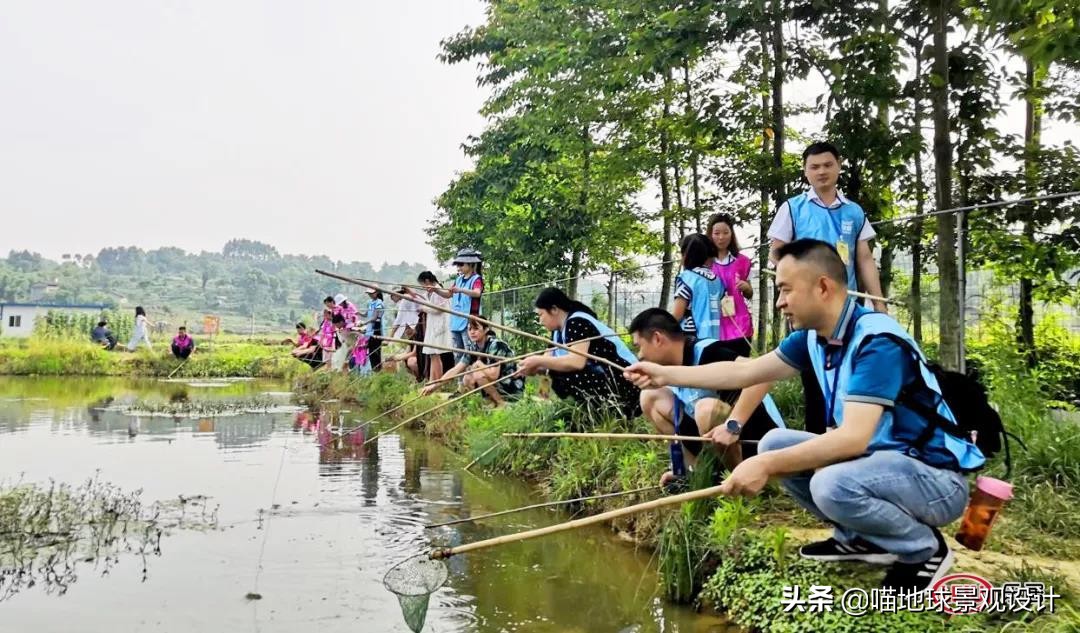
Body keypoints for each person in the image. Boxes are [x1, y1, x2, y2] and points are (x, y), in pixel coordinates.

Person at [624, 239, 984, 592]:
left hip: (933, 480)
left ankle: (924, 550)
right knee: (774, 443)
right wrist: (664, 375)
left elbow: (852, 438)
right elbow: (745, 372)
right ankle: (857, 538)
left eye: (785, 290)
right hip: (878, 464)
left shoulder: (877, 343)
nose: (779, 302)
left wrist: (763, 466)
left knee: (829, 484)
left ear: (822, 287)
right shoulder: (813, 338)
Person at [768, 142, 888, 434]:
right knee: (815, 383)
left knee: (849, 378)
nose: (821, 171)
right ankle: (815, 445)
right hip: (810, 312)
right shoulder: (793, 209)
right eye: (814, 167)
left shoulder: (854, 212)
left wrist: (879, 304)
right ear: (805, 171)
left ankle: (851, 439)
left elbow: (864, 258)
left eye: (827, 165)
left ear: (838, 166)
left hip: (847, 311)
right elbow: (776, 252)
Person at [629, 308, 785, 478]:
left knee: (706, 409)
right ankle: (693, 473)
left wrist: (733, 425)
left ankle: (741, 480)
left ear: (657, 338)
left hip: (758, 442)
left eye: (638, 347)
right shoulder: (671, 367)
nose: (639, 356)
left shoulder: (709, 352)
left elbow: (763, 377)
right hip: (716, 439)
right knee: (650, 396)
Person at [518, 287, 641, 420]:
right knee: (554, 370)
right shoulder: (557, 333)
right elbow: (547, 363)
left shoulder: (577, 322)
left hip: (627, 381)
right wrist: (533, 367)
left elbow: (576, 362)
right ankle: (583, 413)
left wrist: (537, 360)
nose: (540, 321)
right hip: (608, 379)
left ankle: (608, 412)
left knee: (568, 371)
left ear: (554, 309)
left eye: (541, 315)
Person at [422, 317, 524, 405]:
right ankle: (490, 401)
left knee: (478, 374)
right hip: (497, 384)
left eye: (476, 328)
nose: (472, 332)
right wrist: (434, 386)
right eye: (470, 329)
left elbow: (494, 375)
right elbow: (455, 370)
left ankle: (501, 403)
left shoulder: (496, 345)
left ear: (486, 330)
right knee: (467, 377)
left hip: (510, 385)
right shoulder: (473, 347)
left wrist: (478, 364)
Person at [708, 213, 755, 357]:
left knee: (742, 365)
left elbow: (749, 294)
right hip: (714, 326)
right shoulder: (704, 262)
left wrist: (746, 287)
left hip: (740, 325)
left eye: (725, 232)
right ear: (710, 235)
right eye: (717, 233)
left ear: (732, 234)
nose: (721, 237)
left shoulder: (743, 261)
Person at [433, 248, 483, 366]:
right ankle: (460, 377)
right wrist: (436, 290)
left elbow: (477, 293)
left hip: (469, 322)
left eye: (461, 264)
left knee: (469, 353)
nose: (458, 267)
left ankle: (472, 376)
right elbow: (448, 294)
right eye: (457, 264)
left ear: (470, 264)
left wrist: (460, 290)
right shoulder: (459, 279)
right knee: (458, 354)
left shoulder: (476, 279)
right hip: (455, 321)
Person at [672, 233, 726, 342]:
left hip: (692, 339)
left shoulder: (687, 278)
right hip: (715, 337)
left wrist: (660, 327)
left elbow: (677, 315)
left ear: (686, 255)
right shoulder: (717, 280)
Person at [404, 272, 455, 382]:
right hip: (433, 327)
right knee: (432, 354)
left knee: (436, 354)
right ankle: (432, 380)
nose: (423, 287)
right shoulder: (432, 292)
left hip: (440, 327)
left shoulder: (438, 290)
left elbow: (438, 309)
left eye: (423, 284)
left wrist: (423, 308)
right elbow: (423, 299)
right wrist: (413, 295)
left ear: (427, 281)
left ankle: (437, 382)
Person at [358, 288, 385, 371]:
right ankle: (375, 370)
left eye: (372, 293)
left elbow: (374, 318)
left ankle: (378, 369)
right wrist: (358, 313)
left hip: (376, 328)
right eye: (369, 293)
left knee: (375, 351)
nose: (370, 295)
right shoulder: (369, 303)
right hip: (369, 329)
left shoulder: (379, 303)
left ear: (377, 293)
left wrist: (364, 323)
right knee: (370, 351)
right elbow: (366, 314)